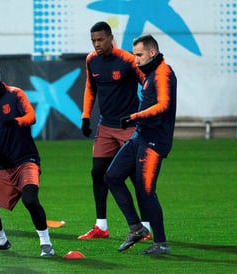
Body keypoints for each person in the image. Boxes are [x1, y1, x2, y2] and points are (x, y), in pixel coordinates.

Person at [104, 34, 177, 255]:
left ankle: (161, 243)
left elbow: (164, 105)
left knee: (146, 191)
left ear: (152, 53)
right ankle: (136, 227)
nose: (135, 60)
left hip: (154, 140)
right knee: (112, 176)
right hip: (140, 137)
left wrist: (136, 116)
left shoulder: (164, 73)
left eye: (139, 55)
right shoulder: (150, 73)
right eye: (134, 55)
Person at [79, 21, 151, 240]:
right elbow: (90, 88)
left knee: (135, 176)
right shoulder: (91, 60)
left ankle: (146, 226)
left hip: (129, 128)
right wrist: (85, 116)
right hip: (106, 127)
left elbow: (148, 84)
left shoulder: (128, 60)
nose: (97, 44)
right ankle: (101, 226)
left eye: (100, 40)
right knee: (97, 172)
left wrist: (146, 115)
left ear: (111, 38)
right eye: (93, 41)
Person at [0, 61, 55, 257]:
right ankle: (1, 240)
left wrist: (16, 122)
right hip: (4, 166)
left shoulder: (15, 94)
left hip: (26, 160)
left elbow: (31, 116)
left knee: (30, 199)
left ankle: (46, 244)